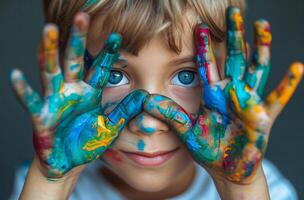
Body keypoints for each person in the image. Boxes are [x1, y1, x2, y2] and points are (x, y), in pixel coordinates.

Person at [9, 0, 303, 199]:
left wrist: (239, 188)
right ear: (63, 71)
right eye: (113, 76)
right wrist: (52, 184)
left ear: (237, 71)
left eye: (187, 76)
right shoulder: (42, 184)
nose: (148, 123)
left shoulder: (265, 190)